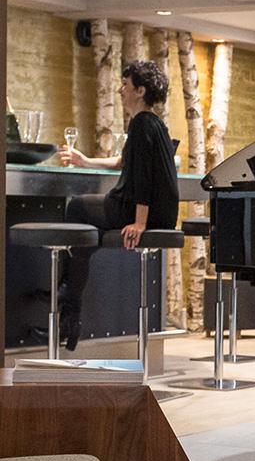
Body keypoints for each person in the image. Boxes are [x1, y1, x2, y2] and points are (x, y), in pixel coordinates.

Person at [53, 59, 180, 349]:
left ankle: (68, 302)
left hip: (142, 211)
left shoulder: (141, 123)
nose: (120, 90)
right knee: (88, 232)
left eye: (125, 85)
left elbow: (143, 178)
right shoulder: (153, 123)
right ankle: (69, 297)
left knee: (77, 207)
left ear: (140, 90)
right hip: (162, 213)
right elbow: (125, 162)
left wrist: (140, 221)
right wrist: (85, 160)